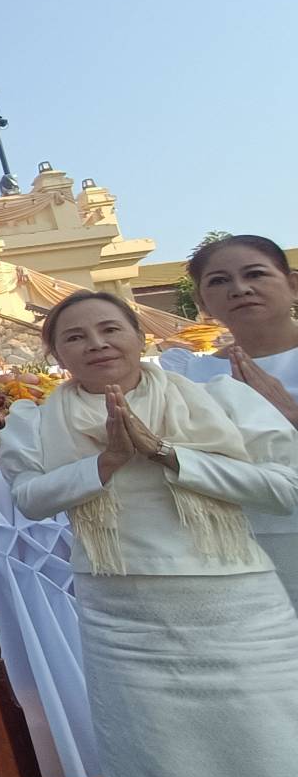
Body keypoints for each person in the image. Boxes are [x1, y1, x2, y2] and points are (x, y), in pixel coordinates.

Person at [0, 290, 298, 777]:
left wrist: (169, 454)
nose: (97, 344)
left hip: (239, 604)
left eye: (111, 329)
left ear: (140, 337)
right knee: (158, 762)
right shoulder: (33, 420)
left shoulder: (223, 398)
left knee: (271, 746)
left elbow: (284, 488)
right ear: (57, 355)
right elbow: (30, 498)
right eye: (75, 337)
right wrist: (105, 462)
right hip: (124, 614)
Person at [160, 234, 298, 603]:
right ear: (203, 301)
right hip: (238, 543)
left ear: (292, 284)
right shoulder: (186, 374)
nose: (240, 289)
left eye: (255, 274)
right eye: (219, 281)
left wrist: (291, 417)